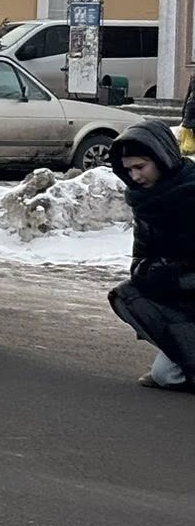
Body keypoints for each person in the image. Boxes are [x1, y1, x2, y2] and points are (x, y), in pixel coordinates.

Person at [106, 121, 195, 390]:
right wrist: (152, 272)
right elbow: (140, 258)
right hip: (180, 296)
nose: (134, 176)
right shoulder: (144, 201)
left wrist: (179, 273)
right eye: (128, 169)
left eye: (140, 167)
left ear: (161, 157)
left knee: (165, 376)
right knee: (127, 295)